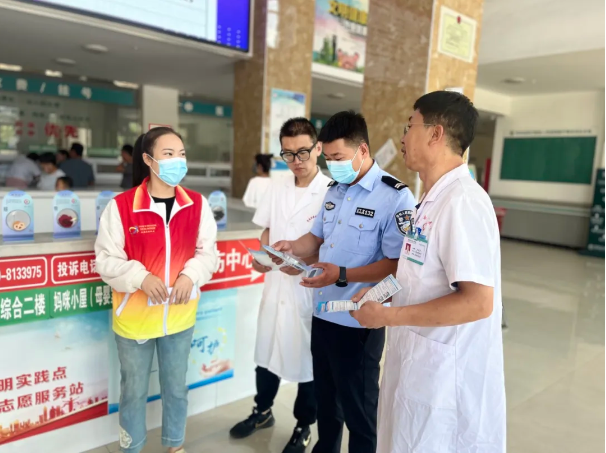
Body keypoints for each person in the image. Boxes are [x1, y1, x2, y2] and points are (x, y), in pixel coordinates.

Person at [351, 91, 506, 453]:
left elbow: (478, 302)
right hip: (419, 371)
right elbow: (420, 274)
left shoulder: (463, 202)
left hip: (444, 384)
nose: (403, 137)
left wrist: (387, 317)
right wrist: (379, 294)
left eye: (410, 126)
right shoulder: (431, 200)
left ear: (436, 133)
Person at [270, 111, 416, 453]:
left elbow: (398, 265)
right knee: (326, 402)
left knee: (359, 412)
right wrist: (292, 249)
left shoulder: (395, 197)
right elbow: (316, 239)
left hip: (358, 319)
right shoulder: (335, 190)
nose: (332, 166)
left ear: (362, 150)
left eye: (338, 158)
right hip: (322, 313)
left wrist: (343, 274)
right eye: (329, 158)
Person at [95, 127, 218, 453]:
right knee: (133, 391)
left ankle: (175, 445)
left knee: (176, 388)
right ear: (148, 160)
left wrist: (190, 275)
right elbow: (105, 260)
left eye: (182, 154)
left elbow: (208, 254)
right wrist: (140, 277)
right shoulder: (121, 206)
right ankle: (132, 447)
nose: (178, 160)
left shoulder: (197, 204)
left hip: (179, 316)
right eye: (169, 154)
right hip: (134, 320)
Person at [230, 118, 330, 452]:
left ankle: (304, 425)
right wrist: (262, 256)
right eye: (288, 154)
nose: (296, 161)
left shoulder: (331, 191)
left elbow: (330, 245)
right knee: (266, 351)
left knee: (307, 363)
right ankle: (262, 411)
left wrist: (301, 262)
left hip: (307, 290)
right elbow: (266, 230)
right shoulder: (276, 187)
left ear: (318, 148)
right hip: (275, 287)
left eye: (303, 152)